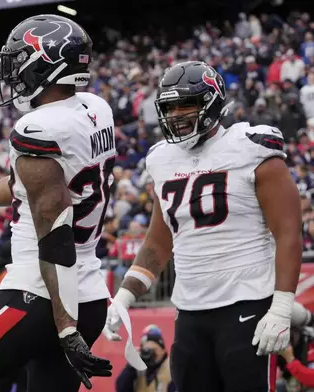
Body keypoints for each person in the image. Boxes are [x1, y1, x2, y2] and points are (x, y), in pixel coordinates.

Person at [0, 14, 115, 392]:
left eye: (19, 59)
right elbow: (22, 188)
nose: (11, 71)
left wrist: (65, 326)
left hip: (40, 293)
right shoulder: (96, 108)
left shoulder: (38, 128)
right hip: (90, 293)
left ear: (46, 64)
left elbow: (54, 235)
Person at [103, 61, 303, 391]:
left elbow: (288, 232)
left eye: (187, 104)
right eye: (170, 107)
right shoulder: (162, 159)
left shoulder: (250, 147)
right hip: (190, 311)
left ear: (211, 104)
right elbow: (157, 243)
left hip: (247, 303)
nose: (177, 114)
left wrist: (281, 308)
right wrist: (124, 296)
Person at [115, 325, 175, 392]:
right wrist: (130, 366)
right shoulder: (136, 368)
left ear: (163, 350)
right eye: (146, 350)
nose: (150, 354)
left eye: (154, 350)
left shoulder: (171, 369)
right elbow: (121, 389)